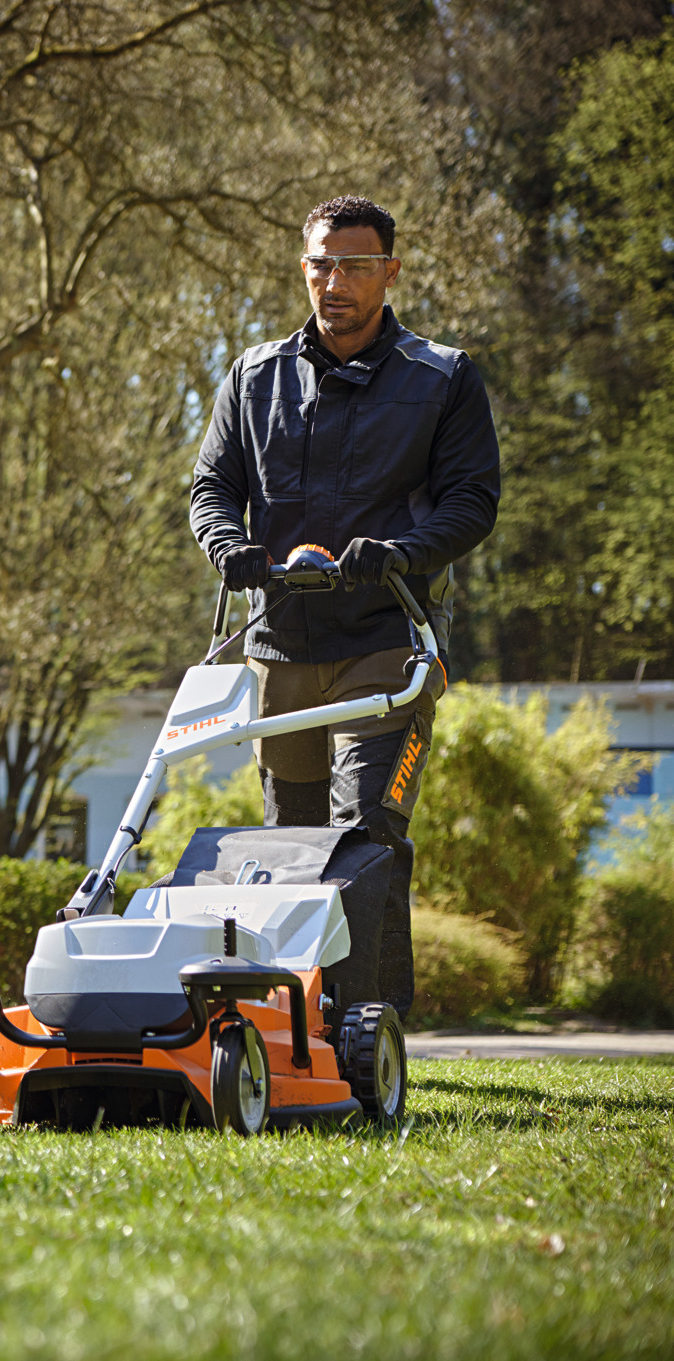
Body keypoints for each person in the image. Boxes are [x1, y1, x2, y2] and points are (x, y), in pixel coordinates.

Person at [189, 195, 501, 1016]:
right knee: (288, 844)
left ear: (389, 273)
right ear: (304, 268)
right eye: (321, 264)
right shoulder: (252, 375)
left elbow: (472, 501)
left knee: (364, 835)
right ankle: (294, 1027)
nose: (336, 282)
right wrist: (231, 547)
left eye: (355, 267)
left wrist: (400, 552)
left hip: (388, 639)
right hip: (280, 647)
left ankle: (371, 1035)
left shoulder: (442, 377)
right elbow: (212, 489)